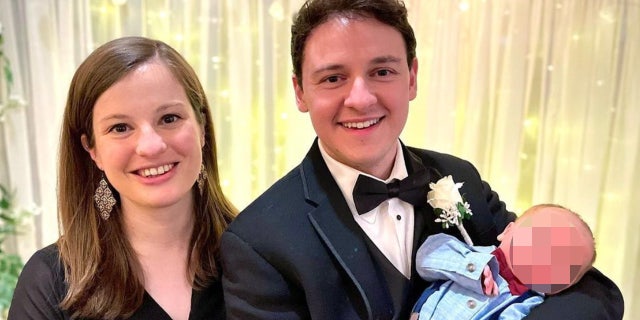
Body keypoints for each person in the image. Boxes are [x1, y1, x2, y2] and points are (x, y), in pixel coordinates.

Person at [219, 0, 623, 319]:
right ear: (300, 92)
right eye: (333, 78)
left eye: (382, 72)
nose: (360, 98)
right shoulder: (258, 242)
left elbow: (592, 290)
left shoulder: (459, 177)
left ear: (411, 77)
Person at [8, 36, 236, 320]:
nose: (151, 146)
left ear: (202, 127)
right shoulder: (51, 283)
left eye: (169, 119)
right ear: (92, 149)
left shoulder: (264, 255)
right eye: (120, 127)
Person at [410, 204, 596, 320]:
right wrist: (473, 268)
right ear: (507, 231)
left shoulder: (528, 304)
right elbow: (425, 258)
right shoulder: (470, 252)